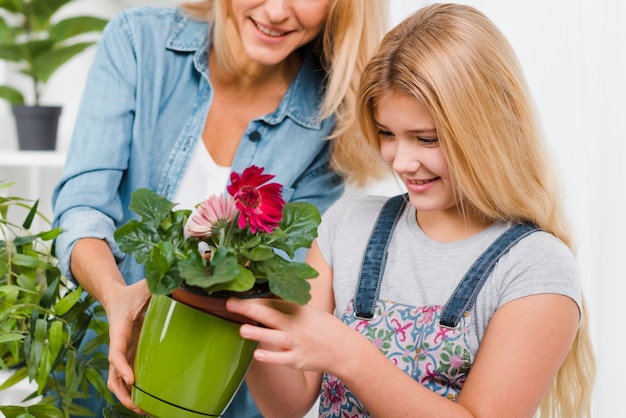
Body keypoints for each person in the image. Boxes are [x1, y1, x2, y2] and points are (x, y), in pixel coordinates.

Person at [225, 3, 596, 417]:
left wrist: (349, 354)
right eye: (387, 133)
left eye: (426, 139)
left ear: (487, 130)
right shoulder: (347, 227)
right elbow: (287, 405)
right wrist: (245, 302)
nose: (401, 162)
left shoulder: (535, 267)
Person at [51, 0, 389, 416]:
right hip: (94, 368)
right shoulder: (140, 41)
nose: (277, 12)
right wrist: (115, 295)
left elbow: (278, 279)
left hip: (216, 393)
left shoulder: (331, 119)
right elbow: (83, 207)